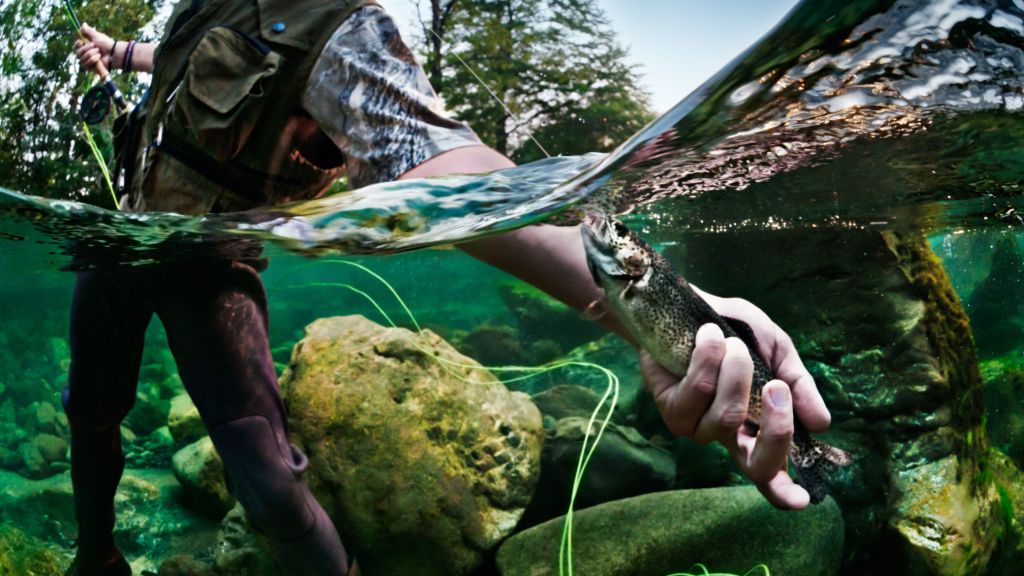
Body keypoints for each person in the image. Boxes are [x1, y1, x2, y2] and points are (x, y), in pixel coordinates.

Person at [68, 2, 832, 575]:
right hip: (112, 244)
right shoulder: (198, 8)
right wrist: (115, 51)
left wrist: (672, 307)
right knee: (86, 416)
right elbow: (167, 53)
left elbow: (442, 170)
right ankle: (96, 558)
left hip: (213, 272)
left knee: (267, 484)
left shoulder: (340, 28)